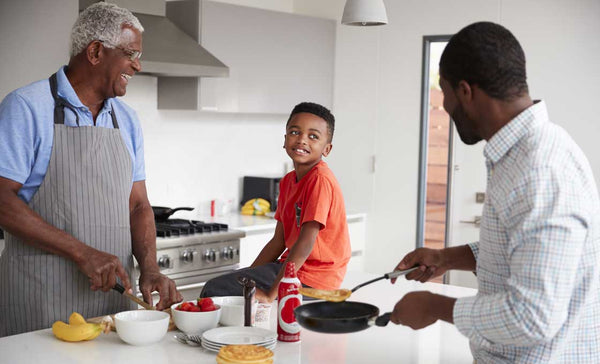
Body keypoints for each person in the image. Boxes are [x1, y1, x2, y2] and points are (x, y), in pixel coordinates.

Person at [390, 22, 600, 362]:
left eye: (444, 92)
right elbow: (521, 250)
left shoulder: (540, 171)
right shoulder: (526, 155)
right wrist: (446, 258)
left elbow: (533, 316)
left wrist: (434, 306)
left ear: (465, 92)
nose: (444, 105)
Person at [0, 2, 182, 337]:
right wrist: (82, 253)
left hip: (115, 307)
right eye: (131, 53)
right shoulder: (25, 108)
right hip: (42, 303)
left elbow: (139, 205)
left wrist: (151, 268)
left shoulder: (126, 120)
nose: (138, 65)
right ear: (96, 52)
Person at [201, 102, 352, 302]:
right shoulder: (288, 182)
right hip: (293, 270)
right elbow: (278, 242)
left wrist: (272, 293)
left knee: (215, 289)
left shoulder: (320, 179)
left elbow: (306, 243)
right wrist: (248, 276)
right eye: (295, 132)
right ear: (285, 139)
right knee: (229, 288)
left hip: (315, 279)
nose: (302, 140)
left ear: (327, 148)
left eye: (313, 136)